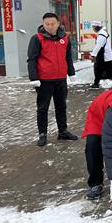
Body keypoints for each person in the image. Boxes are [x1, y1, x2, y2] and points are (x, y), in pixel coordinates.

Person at [27, 13, 78, 147]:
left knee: (61, 107)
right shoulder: (37, 39)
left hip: (60, 79)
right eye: (47, 24)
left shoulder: (65, 38)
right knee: (43, 108)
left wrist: (71, 73)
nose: (50, 27)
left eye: (52, 24)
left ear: (58, 23)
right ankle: (42, 134)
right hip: (44, 80)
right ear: (43, 24)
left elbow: (68, 57)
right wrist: (34, 77)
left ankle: (63, 131)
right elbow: (32, 59)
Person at [89, 21, 112, 89]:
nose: (93, 29)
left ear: (96, 27)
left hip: (104, 56)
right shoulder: (101, 33)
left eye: (93, 27)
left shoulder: (101, 35)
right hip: (102, 56)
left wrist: (93, 55)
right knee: (98, 70)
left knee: (109, 70)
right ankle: (96, 83)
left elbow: (99, 45)